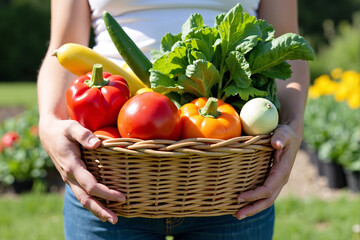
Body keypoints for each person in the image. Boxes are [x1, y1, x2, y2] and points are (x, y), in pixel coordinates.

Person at [37, 0, 310, 239]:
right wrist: (49, 123)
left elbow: (285, 41)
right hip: (108, 174)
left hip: (231, 185)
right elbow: (62, 46)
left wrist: (294, 123)